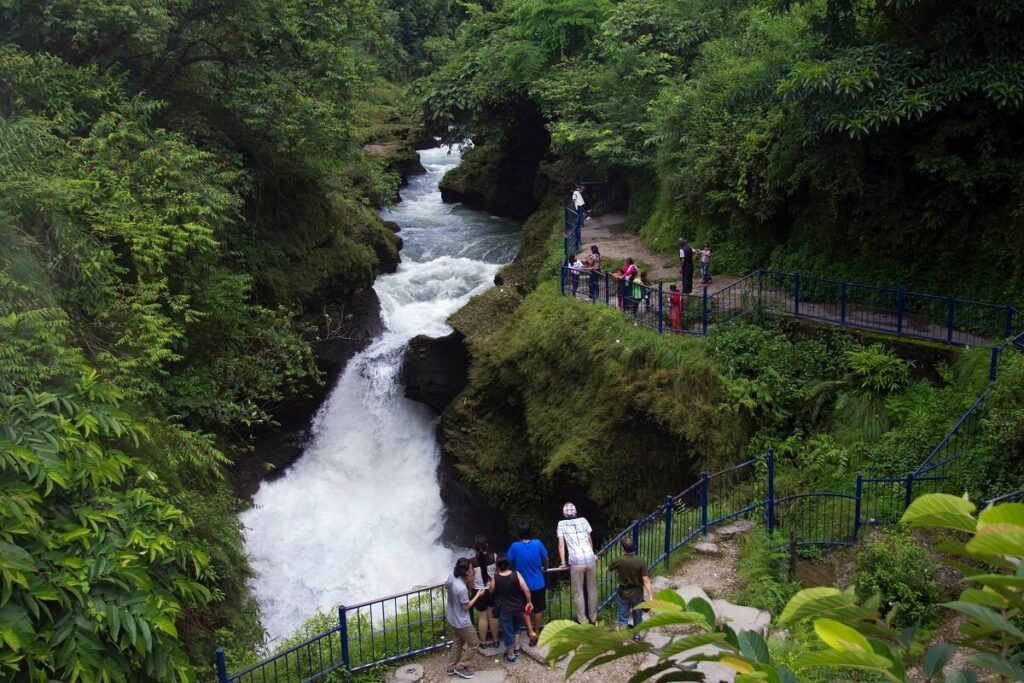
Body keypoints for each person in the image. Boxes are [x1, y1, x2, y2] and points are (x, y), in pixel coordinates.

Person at [506, 522, 546, 646]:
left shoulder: (514, 547)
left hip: (522, 585)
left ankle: (530, 631)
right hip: (539, 582)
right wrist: (545, 568)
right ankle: (537, 631)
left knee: (525, 608)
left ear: (519, 533)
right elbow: (546, 557)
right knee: (538, 609)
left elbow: (506, 561)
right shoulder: (538, 543)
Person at [557, 502, 597, 625]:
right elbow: (589, 539)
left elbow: (561, 545)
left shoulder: (561, 524)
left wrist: (563, 562)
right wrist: (592, 554)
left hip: (576, 561)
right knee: (592, 590)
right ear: (575, 512)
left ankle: (583, 621)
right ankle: (594, 619)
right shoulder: (584, 520)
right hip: (590, 559)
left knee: (578, 593)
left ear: (564, 513)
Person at [490, 552, 532, 664]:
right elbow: (526, 589)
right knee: (516, 628)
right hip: (518, 606)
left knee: (508, 631)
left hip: (505, 609)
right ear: (508, 564)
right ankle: (516, 648)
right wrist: (529, 602)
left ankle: (511, 655)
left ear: (497, 565)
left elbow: (491, 590)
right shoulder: (516, 574)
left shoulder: (495, 577)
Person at [446, 557, 485, 679]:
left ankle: (451, 667)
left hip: (452, 617)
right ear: (466, 571)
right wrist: (478, 595)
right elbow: (466, 606)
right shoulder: (461, 588)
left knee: (458, 641)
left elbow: (446, 586)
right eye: (470, 568)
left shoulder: (452, 575)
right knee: (474, 643)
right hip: (462, 621)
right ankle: (461, 666)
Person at [608, 537, 653, 640]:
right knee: (637, 614)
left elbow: (609, 568)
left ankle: (623, 635)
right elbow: (646, 580)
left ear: (623, 548)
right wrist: (650, 596)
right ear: (634, 547)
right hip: (637, 592)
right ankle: (636, 635)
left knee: (623, 615)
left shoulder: (619, 560)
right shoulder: (640, 561)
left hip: (623, 592)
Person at [471, 535, 498, 648]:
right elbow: (497, 572)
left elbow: (470, 579)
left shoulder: (471, 562)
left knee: (482, 617)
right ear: (487, 545)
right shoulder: (494, 557)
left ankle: (483, 642)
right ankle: (495, 640)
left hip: (479, 592)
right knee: (492, 615)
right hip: (492, 590)